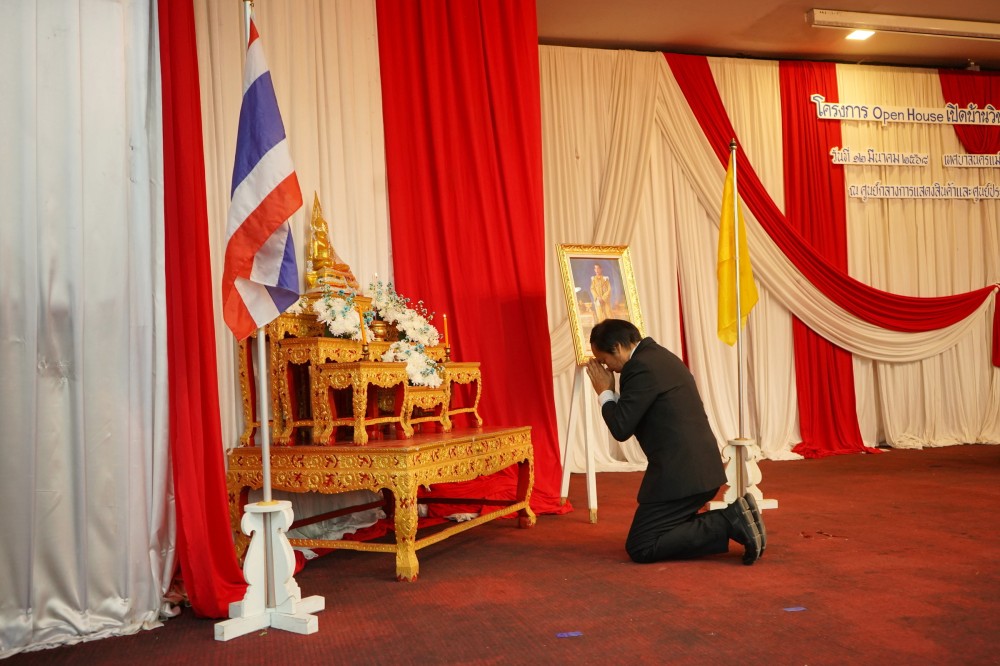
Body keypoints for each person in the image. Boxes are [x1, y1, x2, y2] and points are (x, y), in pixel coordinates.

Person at [584, 319, 766, 565]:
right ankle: (736, 517)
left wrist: (605, 393)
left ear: (617, 347)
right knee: (662, 530)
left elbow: (621, 427)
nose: (608, 369)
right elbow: (632, 414)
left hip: (683, 475)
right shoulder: (658, 356)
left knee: (642, 545)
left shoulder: (638, 368)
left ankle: (729, 520)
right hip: (699, 469)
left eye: (604, 360)